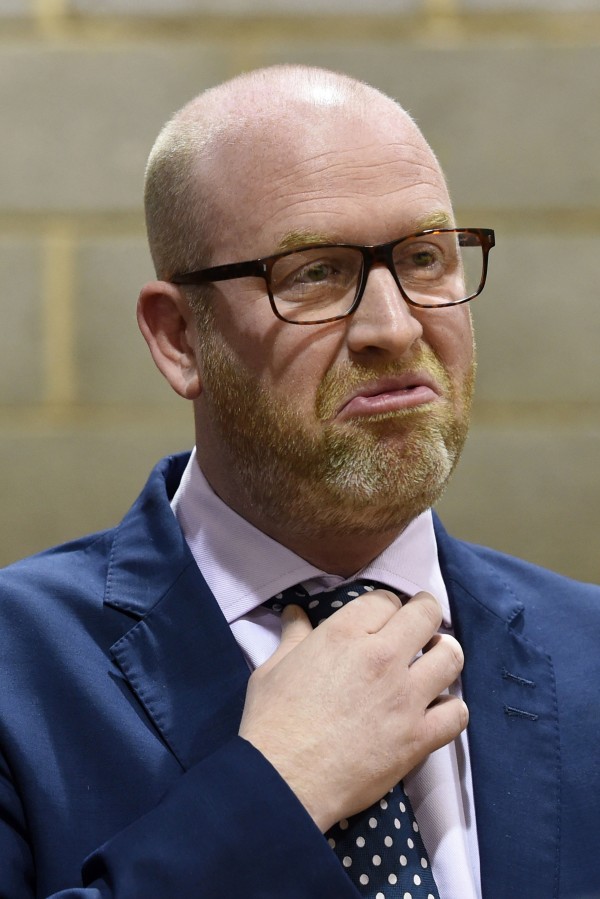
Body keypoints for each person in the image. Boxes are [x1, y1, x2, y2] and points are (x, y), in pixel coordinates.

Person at [0, 64, 598, 899]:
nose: (394, 328)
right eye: (313, 273)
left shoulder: (591, 651)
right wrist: (273, 789)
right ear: (179, 338)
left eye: (425, 258)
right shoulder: (15, 668)